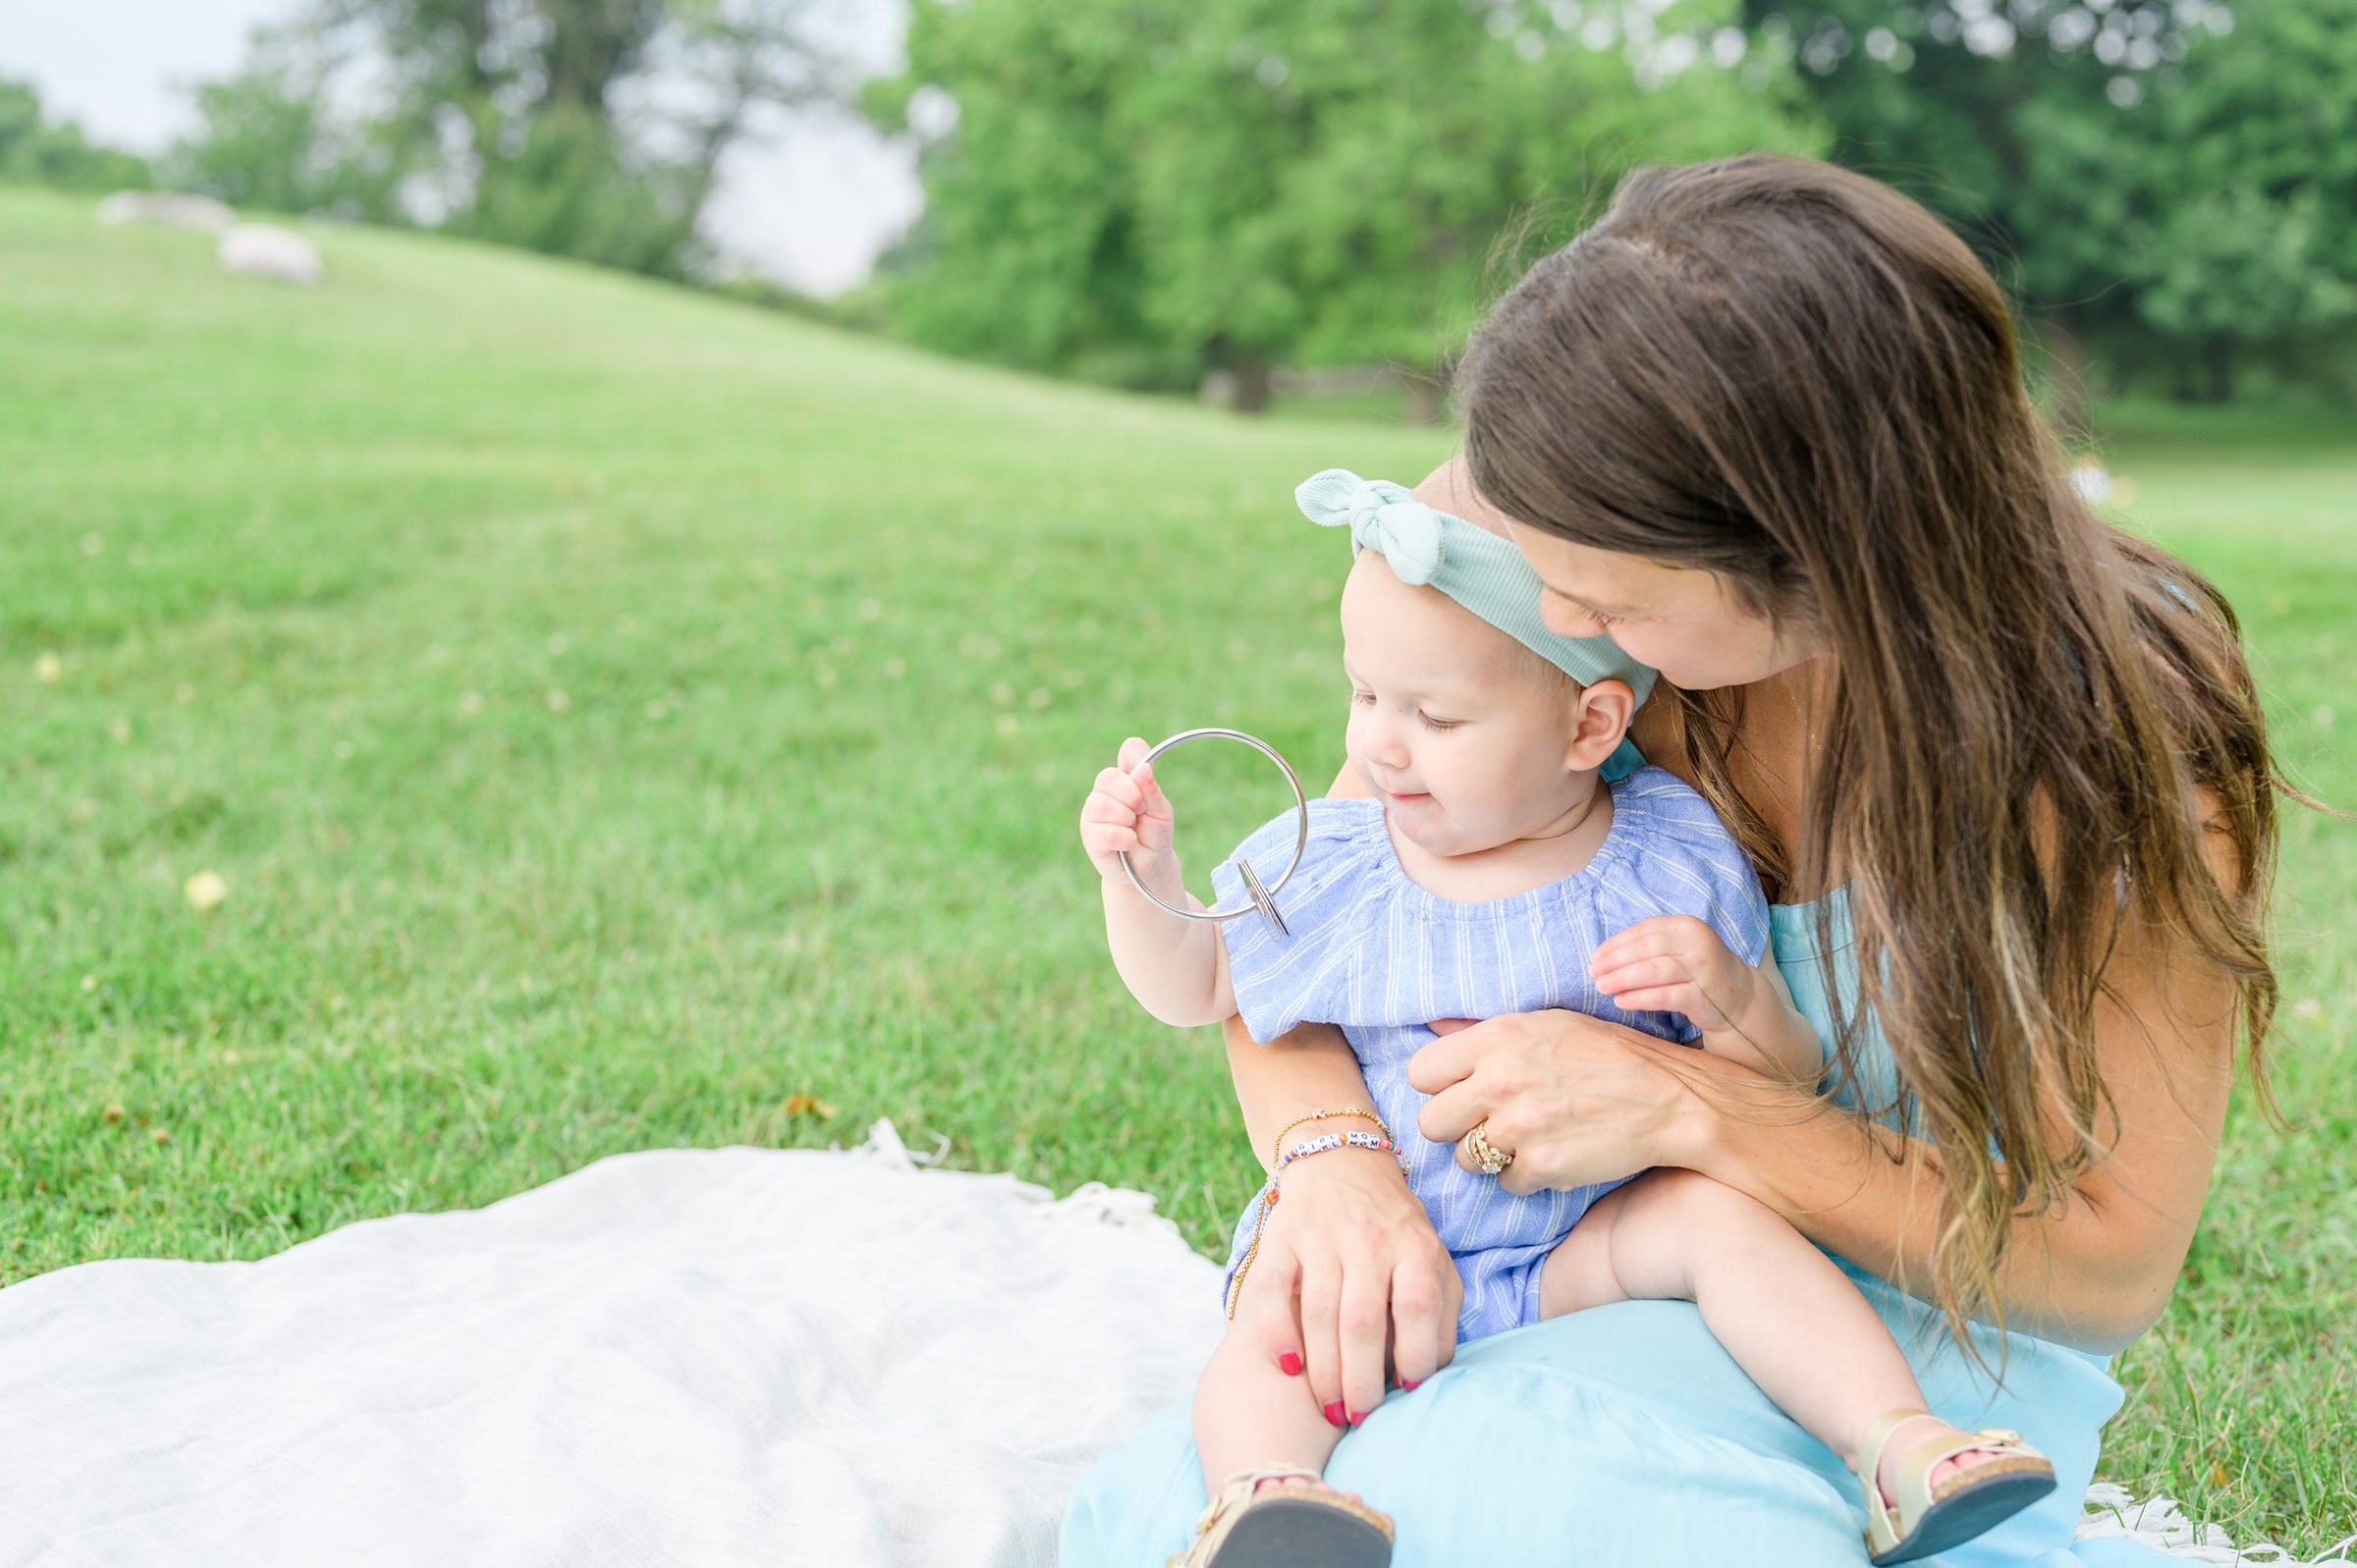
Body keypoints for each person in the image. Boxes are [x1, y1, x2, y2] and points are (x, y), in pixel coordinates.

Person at [1062, 153, 2283, 1567]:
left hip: (1890, 1342)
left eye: (1606, 591)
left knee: (1532, 1501)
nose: (1554, 602)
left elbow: (2109, 1259)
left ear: (1816, 550)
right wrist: (1337, 1169)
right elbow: (1325, 915)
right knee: (1190, 1510)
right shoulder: (1544, 503)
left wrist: (1692, 1106)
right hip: (1538, 1276)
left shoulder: (2120, 752)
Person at [1077, 468, 2057, 1568]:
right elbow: (1200, 983)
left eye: (1436, 716)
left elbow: (1784, 1083)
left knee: (1724, 1228)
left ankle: (1897, 1444)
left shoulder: (1665, 852)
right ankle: (1268, 1495)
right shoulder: (1346, 862)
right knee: (1287, 1321)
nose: (1383, 747)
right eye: (1363, 697)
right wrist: (1137, 876)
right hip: (1399, 1239)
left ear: (1590, 723)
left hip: (1588, 1239)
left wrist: (1734, 1000)